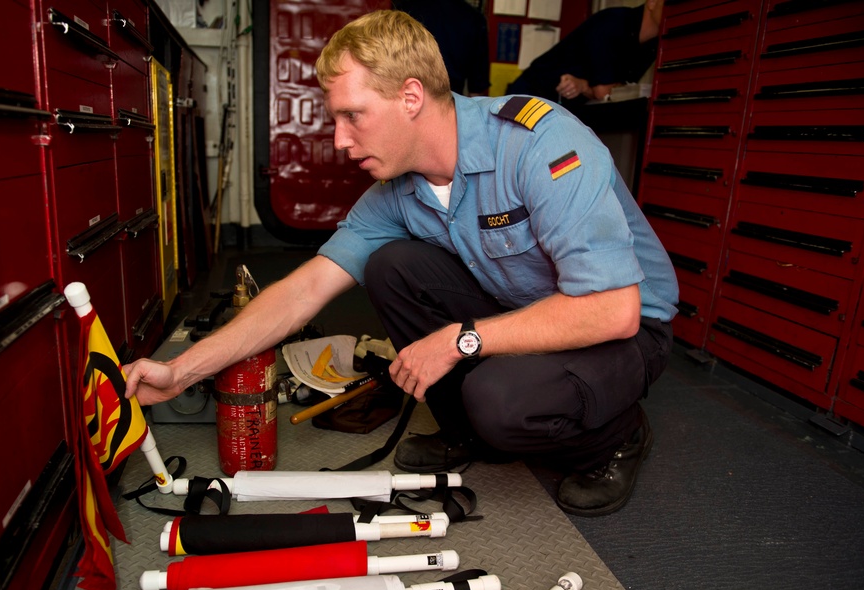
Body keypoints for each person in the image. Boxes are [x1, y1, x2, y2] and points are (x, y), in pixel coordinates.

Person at [124, 10, 678, 517]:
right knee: (392, 266)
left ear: (411, 97)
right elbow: (304, 291)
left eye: (353, 116)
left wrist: (460, 340)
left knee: (501, 400)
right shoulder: (397, 190)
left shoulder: (540, 145)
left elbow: (613, 311)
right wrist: (182, 371)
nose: (340, 140)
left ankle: (620, 436)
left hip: (624, 328)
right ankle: (469, 432)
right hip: (524, 311)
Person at [507, 0, 664, 109]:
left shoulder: (653, 44)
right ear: (651, 2)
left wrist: (586, 87)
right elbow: (605, 93)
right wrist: (593, 89)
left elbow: (623, 91)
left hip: (568, 108)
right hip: (532, 94)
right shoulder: (615, 22)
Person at [391, 0, 490, 96]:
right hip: (450, 102)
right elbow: (477, 90)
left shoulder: (403, 12)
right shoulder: (474, 18)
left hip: (407, 99)